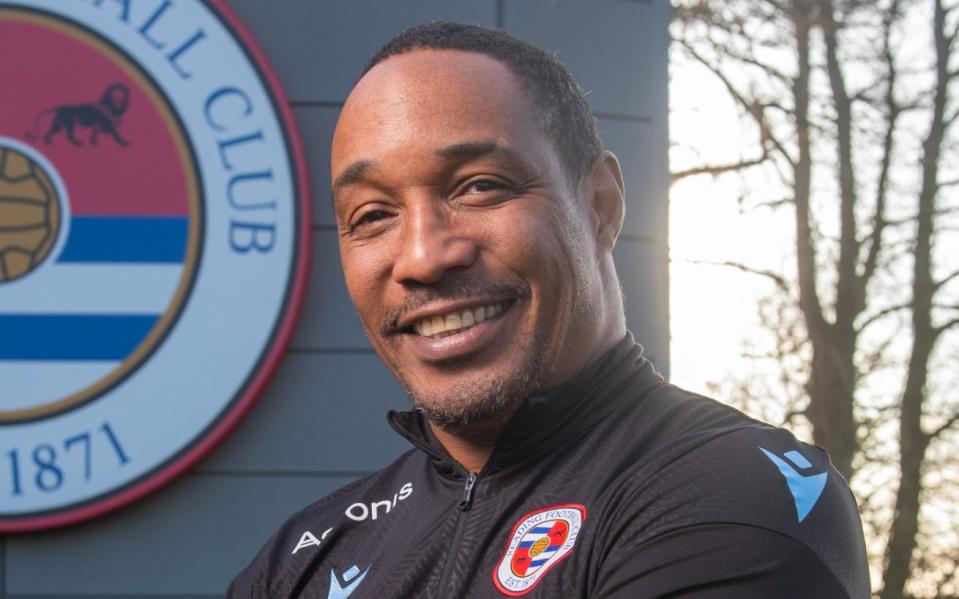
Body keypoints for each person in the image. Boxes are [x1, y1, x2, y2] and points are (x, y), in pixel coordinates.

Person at [228, 22, 870, 598]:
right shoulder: (301, 558)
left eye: (480, 186)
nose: (422, 257)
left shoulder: (728, 494)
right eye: (373, 216)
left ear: (601, 206)